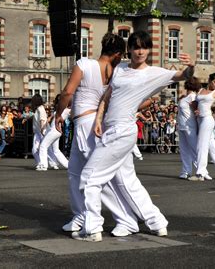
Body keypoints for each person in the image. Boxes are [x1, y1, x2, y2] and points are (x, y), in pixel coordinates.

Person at [73, 30, 195, 242]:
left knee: (90, 178)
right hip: (111, 129)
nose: (140, 51)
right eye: (136, 47)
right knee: (126, 181)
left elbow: (182, 76)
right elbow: (107, 96)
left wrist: (191, 66)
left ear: (149, 50)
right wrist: (99, 119)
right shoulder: (119, 68)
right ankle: (157, 222)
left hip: (122, 131)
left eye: (145, 47)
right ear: (129, 49)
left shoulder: (153, 73)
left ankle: (92, 229)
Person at [55, 32, 139, 238]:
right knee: (75, 173)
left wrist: (58, 114)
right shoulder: (116, 71)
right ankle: (81, 215)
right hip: (91, 124)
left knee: (96, 176)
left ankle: (125, 219)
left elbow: (67, 92)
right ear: (117, 53)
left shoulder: (84, 64)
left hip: (87, 123)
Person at [36, 94, 69, 171]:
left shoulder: (66, 110)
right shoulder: (59, 110)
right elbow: (49, 119)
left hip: (55, 130)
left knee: (43, 146)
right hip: (55, 130)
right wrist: (43, 127)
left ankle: (43, 165)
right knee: (56, 150)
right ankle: (68, 165)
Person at [177, 77, 201, 179]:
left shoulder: (193, 97)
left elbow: (197, 112)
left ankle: (201, 171)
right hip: (182, 126)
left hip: (190, 126)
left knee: (194, 149)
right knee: (184, 150)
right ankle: (186, 171)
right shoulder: (186, 97)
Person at [31, 94, 47, 167]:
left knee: (37, 149)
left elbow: (42, 120)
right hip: (38, 131)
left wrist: (41, 130)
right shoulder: (38, 109)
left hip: (41, 131)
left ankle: (42, 163)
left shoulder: (41, 108)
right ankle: (40, 163)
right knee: (35, 150)